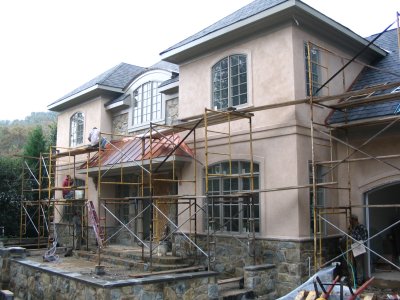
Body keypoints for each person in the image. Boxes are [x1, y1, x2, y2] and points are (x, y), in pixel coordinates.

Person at [349, 215, 368, 286]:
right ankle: (353, 280)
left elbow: (364, 239)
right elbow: (348, 236)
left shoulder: (362, 228)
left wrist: (353, 231)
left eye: (351, 221)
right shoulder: (351, 228)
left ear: (355, 220)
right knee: (351, 264)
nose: (350, 223)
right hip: (351, 247)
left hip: (359, 247)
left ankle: (360, 281)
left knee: (359, 265)